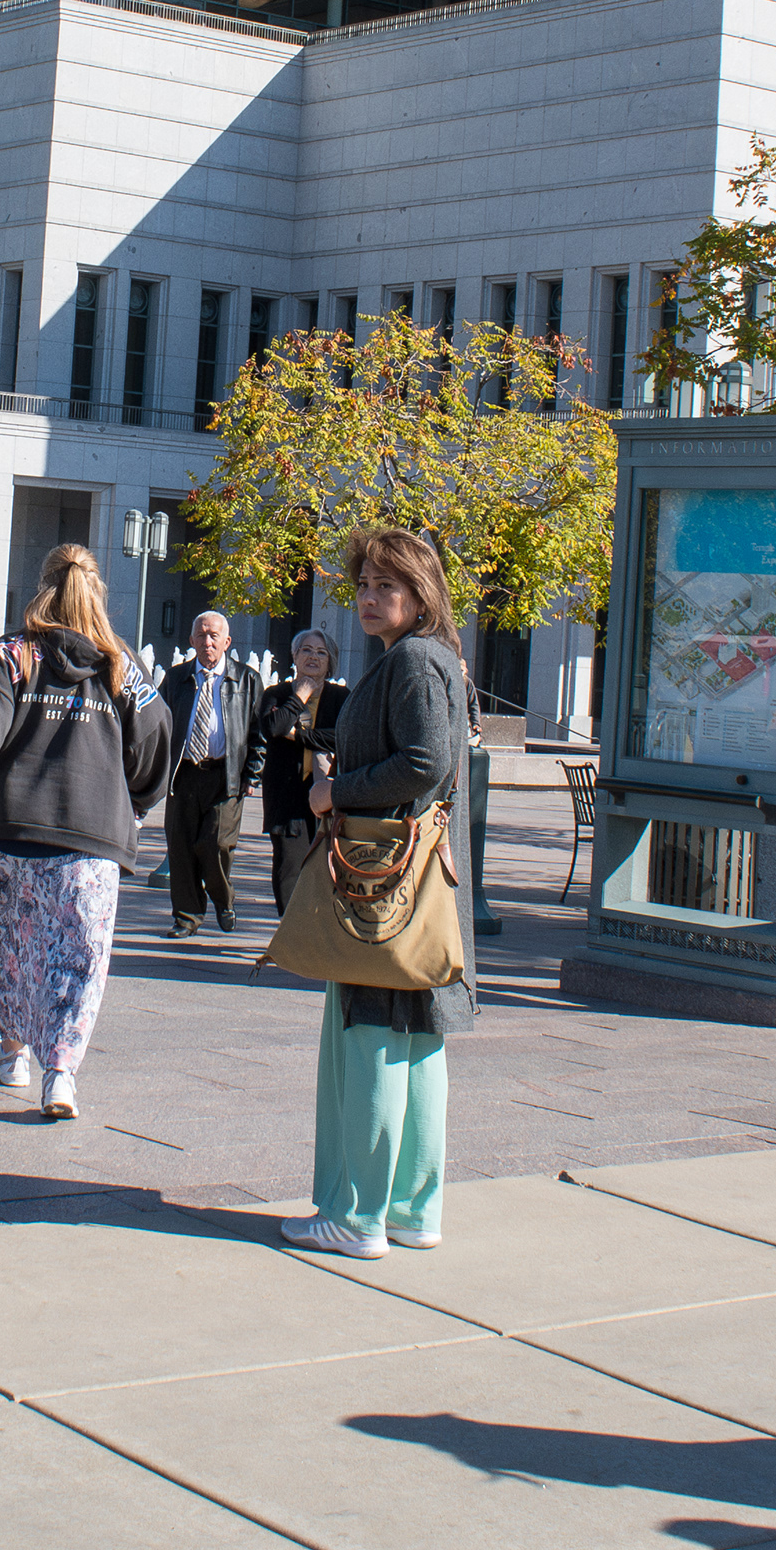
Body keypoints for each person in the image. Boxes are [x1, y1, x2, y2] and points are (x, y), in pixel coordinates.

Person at [0, 545, 177, 1120]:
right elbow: (158, 738)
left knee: (12, 944)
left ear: (42, 587)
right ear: (98, 593)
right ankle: (60, 1072)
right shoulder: (123, 665)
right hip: (89, 831)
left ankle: (13, 1048)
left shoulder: (14, 653)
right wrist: (133, 801)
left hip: (8, 823)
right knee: (79, 953)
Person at [283, 532, 477, 1260]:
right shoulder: (423, 659)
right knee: (417, 1040)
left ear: (420, 594)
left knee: (369, 1041)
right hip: (412, 883)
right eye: (363, 584)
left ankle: (358, 1216)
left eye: (385, 587)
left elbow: (425, 762)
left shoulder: (416, 661)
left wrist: (337, 789)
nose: (368, 597)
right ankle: (409, 1211)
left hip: (386, 883)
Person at [157, 610, 262, 937]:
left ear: (227, 641)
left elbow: (258, 731)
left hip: (225, 775)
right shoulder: (175, 679)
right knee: (181, 845)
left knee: (215, 844)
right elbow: (159, 727)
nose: (207, 641)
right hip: (184, 774)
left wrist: (252, 775)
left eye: (214, 635)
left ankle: (223, 898)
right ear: (191, 641)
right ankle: (186, 917)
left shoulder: (246, 680)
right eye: (201, 635)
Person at [254, 629, 349, 912]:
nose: (313, 657)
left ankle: (318, 939)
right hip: (287, 796)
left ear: (330, 662)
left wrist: (302, 737)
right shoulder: (277, 694)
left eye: (321, 653)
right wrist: (300, 696)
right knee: (289, 870)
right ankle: (289, 938)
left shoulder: (342, 697)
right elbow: (274, 728)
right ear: (294, 656)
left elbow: (343, 737)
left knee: (328, 869)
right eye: (306, 650)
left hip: (331, 795)